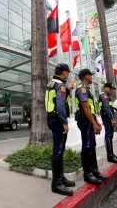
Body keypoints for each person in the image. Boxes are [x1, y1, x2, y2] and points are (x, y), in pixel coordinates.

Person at [75, 69, 108, 186]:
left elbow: (91, 109)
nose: (92, 77)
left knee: (91, 145)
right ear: (86, 76)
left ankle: (94, 171)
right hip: (85, 121)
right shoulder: (82, 88)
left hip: (89, 120)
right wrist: (94, 123)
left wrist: (96, 121)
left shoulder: (87, 89)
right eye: (91, 75)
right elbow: (85, 108)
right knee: (87, 146)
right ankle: (87, 174)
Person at [45, 63, 75, 196]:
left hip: (51, 118)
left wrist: (68, 89)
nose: (68, 75)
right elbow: (61, 105)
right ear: (63, 73)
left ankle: (60, 178)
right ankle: (56, 183)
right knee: (58, 150)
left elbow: (54, 98)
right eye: (67, 73)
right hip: (58, 120)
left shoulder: (52, 83)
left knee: (60, 149)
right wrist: (65, 122)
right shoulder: (60, 86)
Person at [98, 83, 117, 164]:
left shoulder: (107, 96)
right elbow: (107, 108)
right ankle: (110, 156)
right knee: (108, 135)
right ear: (105, 88)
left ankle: (111, 154)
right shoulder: (104, 96)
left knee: (110, 135)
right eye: (110, 88)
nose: (111, 90)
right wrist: (112, 119)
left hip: (108, 117)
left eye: (112, 89)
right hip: (107, 117)